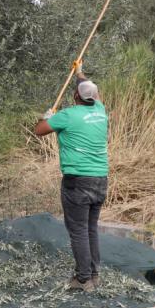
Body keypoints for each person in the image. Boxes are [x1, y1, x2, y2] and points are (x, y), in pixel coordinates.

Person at [34, 61, 108, 292]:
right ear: (95, 97)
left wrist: (46, 116)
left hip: (77, 182)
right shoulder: (100, 111)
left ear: (75, 96)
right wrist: (79, 72)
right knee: (90, 228)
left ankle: (83, 279)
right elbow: (88, 88)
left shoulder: (67, 116)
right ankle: (94, 275)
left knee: (78, 230)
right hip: (100, 180)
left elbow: (39, 131)